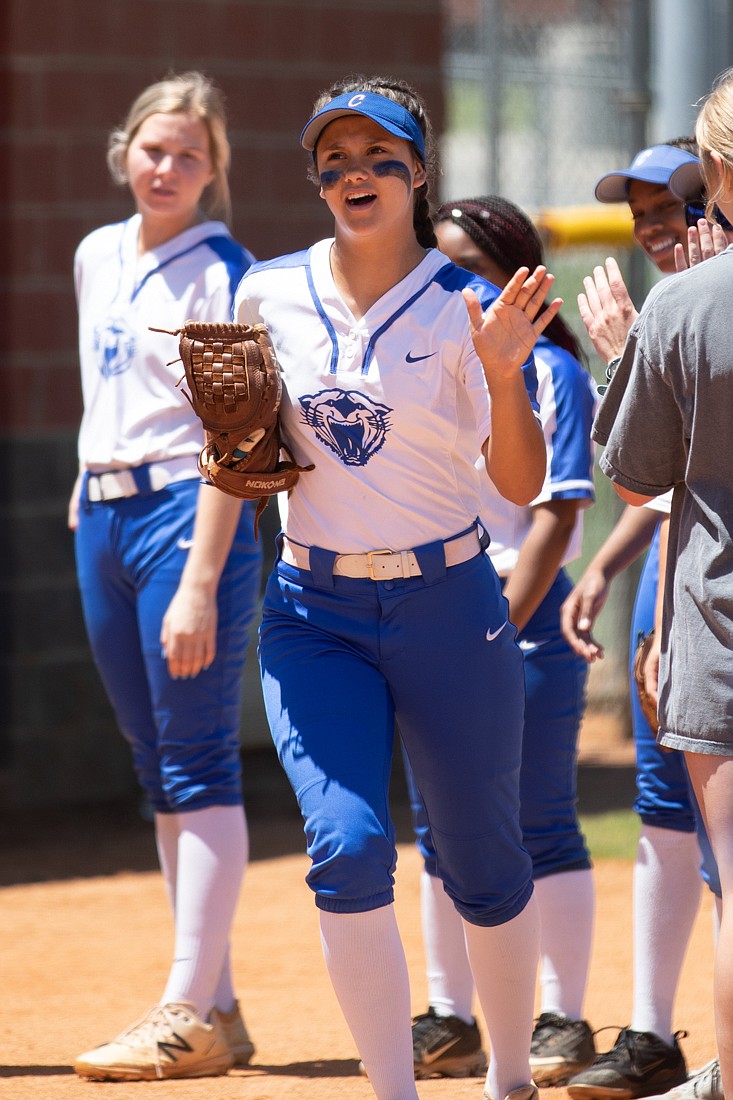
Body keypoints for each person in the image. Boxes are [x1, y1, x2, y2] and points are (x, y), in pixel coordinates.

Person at [233, 75, 562, 1100]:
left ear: (418, 174)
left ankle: (507, 1077)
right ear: (315, 178)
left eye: (381, 156)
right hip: (312, 611)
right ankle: (394, 1090)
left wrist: (506, 374)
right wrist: (237, 458)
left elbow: (517, 482)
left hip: (449, 602)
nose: (356, 173)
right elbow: (245, 458)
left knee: (481, 859)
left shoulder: (462, 306)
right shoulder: (264, 293)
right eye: (335, 158)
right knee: (347, 845)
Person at [68, 72, 262, 1081]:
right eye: (154, 148)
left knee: (195, 759)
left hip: (188, 516)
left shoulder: (226, 271)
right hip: (101, 510)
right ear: (123, 151)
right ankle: (217, 1001)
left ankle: (188, 1005)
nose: (167, 168)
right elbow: (104, 386)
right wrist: (81, 482)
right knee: (156, 765)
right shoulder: (96, 251)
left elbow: (237, 434)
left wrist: (200, 574)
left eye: (191, 154)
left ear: (215, 170)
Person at [401, 196, 598, 1087]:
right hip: (433, 620)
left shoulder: (552, 369)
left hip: (516, 620)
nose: (457, 289)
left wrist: (493, 628)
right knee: (438, 829)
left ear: (521, 279)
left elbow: (555, 517)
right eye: (440, 270)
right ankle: (450, 1016)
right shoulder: (427, 366)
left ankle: (562, 1016)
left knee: (540, 822)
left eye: (473, 270)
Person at [562, 142, 729, 1100]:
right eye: (641, 217)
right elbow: (668, 491)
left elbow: (668, 481)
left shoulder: (686, 307)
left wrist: (665, 617)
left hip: (701, 600)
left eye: (674, 205)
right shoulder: (675, 305)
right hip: (677, 587)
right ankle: (653, 1033)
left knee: (722, 849)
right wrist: (609, 567)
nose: (658, 228)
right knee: (670, 816)